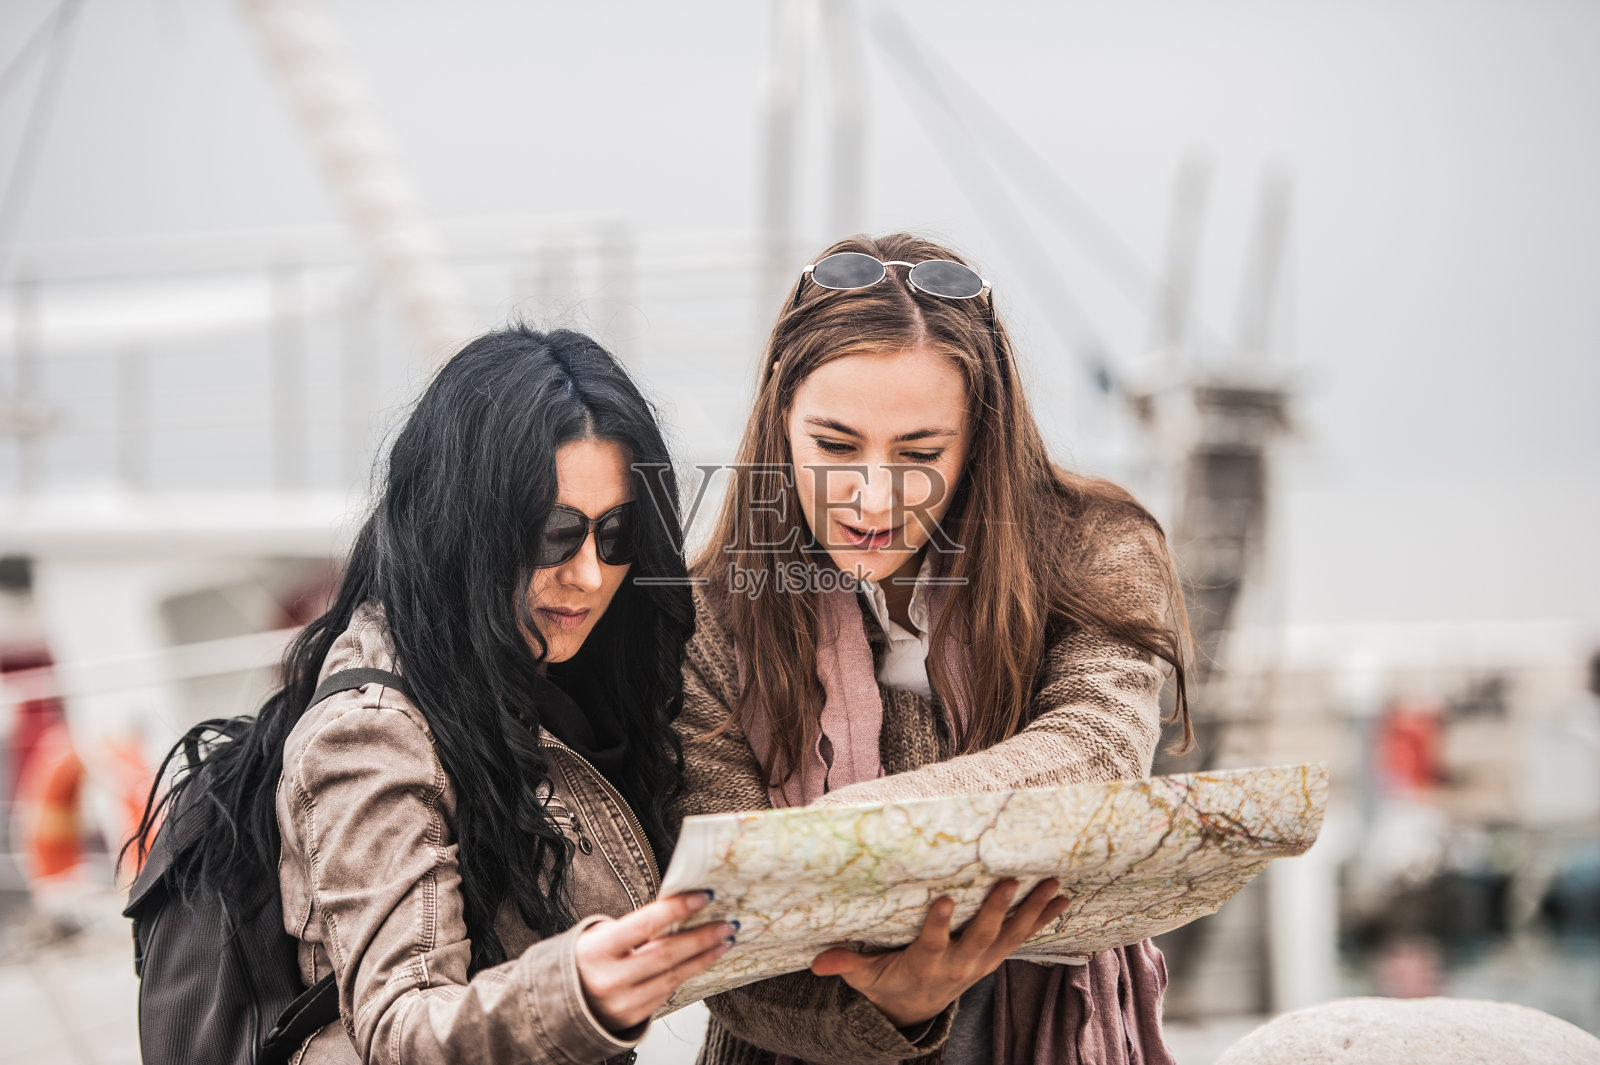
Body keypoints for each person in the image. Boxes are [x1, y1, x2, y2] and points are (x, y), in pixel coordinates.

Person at [130, 326, 731, 1064]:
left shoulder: (571, 673)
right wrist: (576, 990)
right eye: (553, 532)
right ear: (470, 526)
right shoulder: (371, 732)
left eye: (616, 532)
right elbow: (400, 1022)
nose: (589, 574)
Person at [675, 234, 1193, 1065]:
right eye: (836, 447)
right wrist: (890, 1005)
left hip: (1042, 1035)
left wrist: (834, 831)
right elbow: (719, 930)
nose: (873, 498)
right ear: (781, 421)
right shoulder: (708, 615)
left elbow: (1095, 757)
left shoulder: (1097, 550)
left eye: (920, 453)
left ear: (980, 439)